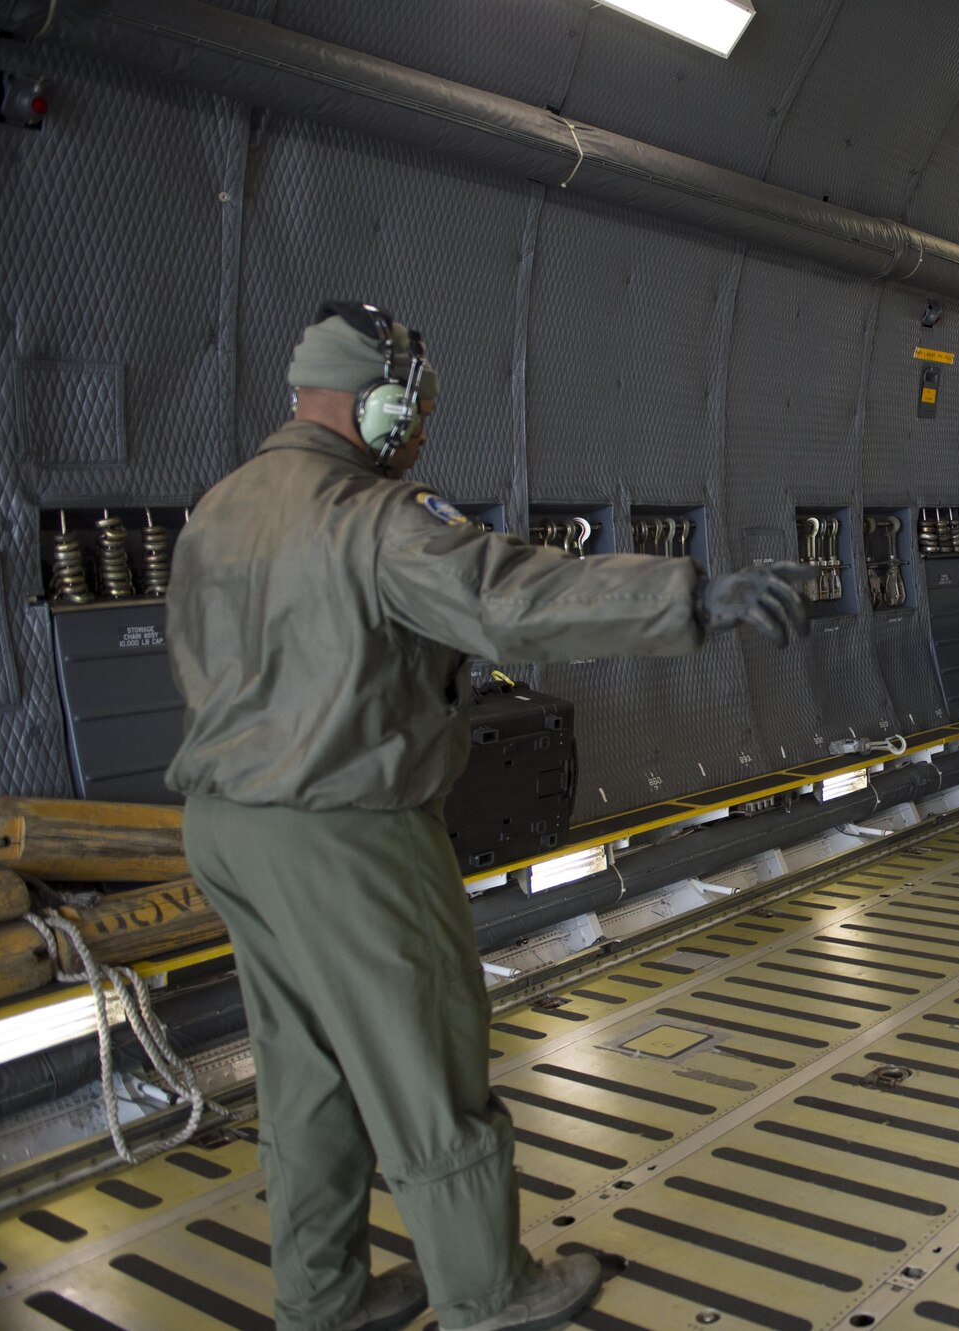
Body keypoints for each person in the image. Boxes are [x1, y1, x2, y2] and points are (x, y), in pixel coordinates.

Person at [165, 303, 811, 1331]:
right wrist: (690, 598)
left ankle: (321, 1294)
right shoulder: (371, 517)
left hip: (231, 829)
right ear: (381, 403)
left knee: (305, 1068)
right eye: (414, 408)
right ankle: (485, 1289)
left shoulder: (218, 510)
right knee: (427, 1061)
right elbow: (509, 597)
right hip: (347, 834)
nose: (420, 431)